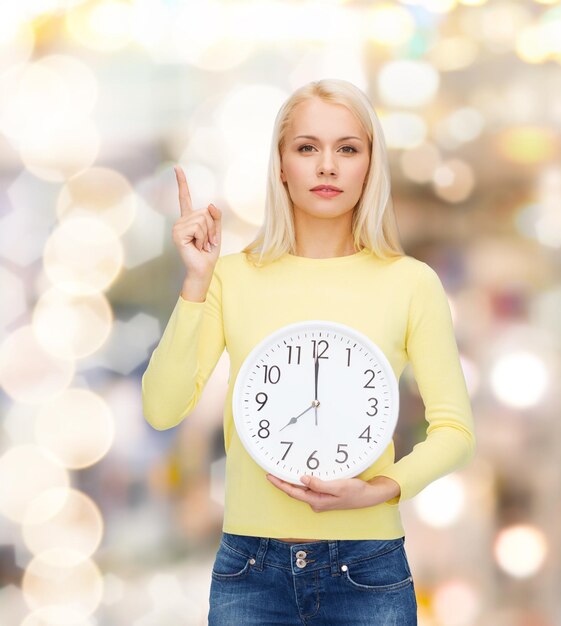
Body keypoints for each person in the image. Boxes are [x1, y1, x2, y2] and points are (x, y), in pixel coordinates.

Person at [141, 78, 476, 625]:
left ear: (370, 165)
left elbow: (456, 432)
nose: (327, 166)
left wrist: (377, 492)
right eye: (307, 148)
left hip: (367, 570)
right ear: (280, 166)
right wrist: (196, 283)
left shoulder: (411, 283)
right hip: (251, 571)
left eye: (347, 149)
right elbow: (161, 408)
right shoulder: (230, 278)